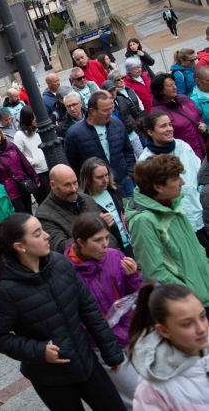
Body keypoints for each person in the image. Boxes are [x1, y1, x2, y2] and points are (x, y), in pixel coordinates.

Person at [0, 213, 125, 411]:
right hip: (51, 379)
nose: (47, 236)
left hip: (85, 361)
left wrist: (111, 351)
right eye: (37, 233)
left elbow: (89, 310)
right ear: (20, 246)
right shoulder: (6, 290)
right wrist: (39, 351)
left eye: (43, 229)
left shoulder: (60, 263)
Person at [65, 214, 143, 408]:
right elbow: (72, 314)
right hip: (103, 344)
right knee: (136, 396)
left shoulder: (114, 256)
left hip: (132, 332)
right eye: (98, 240)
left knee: (155, 387)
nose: (105, 245)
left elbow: (138, 295)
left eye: (107, 238)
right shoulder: (66, 271)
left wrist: (133, 276)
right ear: (81, 242)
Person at [126, 155, 209, 307]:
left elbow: (194, 251)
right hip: (191, 303)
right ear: (158, 187)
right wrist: (191, 294)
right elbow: (154, 273)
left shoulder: (173, 203)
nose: (182, 182)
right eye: (176, 178)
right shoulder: (143, 221)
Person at [129, 281, 209, 409]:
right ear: (164, 331)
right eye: (187, 324)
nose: (202, 329)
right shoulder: (152, 389)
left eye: (203, 317)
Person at [136, 113, 207, 252]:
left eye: (170, 124)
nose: (169, 129)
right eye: (163, 126)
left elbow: (200, 174)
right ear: (150, 132)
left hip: (200, 215)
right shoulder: (145, 162)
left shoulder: (183, 146)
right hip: (177, 225)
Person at [65, 91, 136, 197]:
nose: (110, 113)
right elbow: (72, 164)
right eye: (105, 110)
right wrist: (84, 185)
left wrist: (129, 174)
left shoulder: (117, 124)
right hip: (97, 189)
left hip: (125, 182)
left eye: (110, 108)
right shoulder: (74, 134)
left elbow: (128, 150)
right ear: (92, 111)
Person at [36, 164, 120, 253]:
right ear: (53, 185)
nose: (73, 189)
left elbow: (108, 236)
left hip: (112, 255)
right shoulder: (44, 216)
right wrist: (95, 227)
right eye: (67, 185)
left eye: (75, 183)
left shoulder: (86, 199)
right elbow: (61, 249)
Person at [78, 157, 133, 257]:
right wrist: (99, 223)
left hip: (132, 244)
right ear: (88, 179)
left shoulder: (116, 190)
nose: (105, 180)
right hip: (112, 251)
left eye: (106, 175)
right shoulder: (84, 202)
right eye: (99, 177)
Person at [150, 72, 207, 159]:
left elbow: (198, 115)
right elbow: (161, 138)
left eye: (174, 84)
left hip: (203, 147)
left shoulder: (184, 99)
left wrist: (201, 123)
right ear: (160, 91)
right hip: (184, 155)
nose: (175, 87)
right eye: (170, 85)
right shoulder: (158, 113)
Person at [0, 126, 38, 214]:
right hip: (9, 190)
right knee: (22, 214)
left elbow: (24, 162)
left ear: (0, 133)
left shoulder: (11, 146)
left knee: (29, 211)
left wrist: (34, 177)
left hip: (22, 183)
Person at [14, 106, 50, 204]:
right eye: (34, 117)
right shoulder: (19, 135)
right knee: (45, 200)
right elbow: (19, 156)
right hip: (37, 173)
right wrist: (33, 162)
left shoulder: (38, 130)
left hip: (48, 168)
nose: (36, 119)